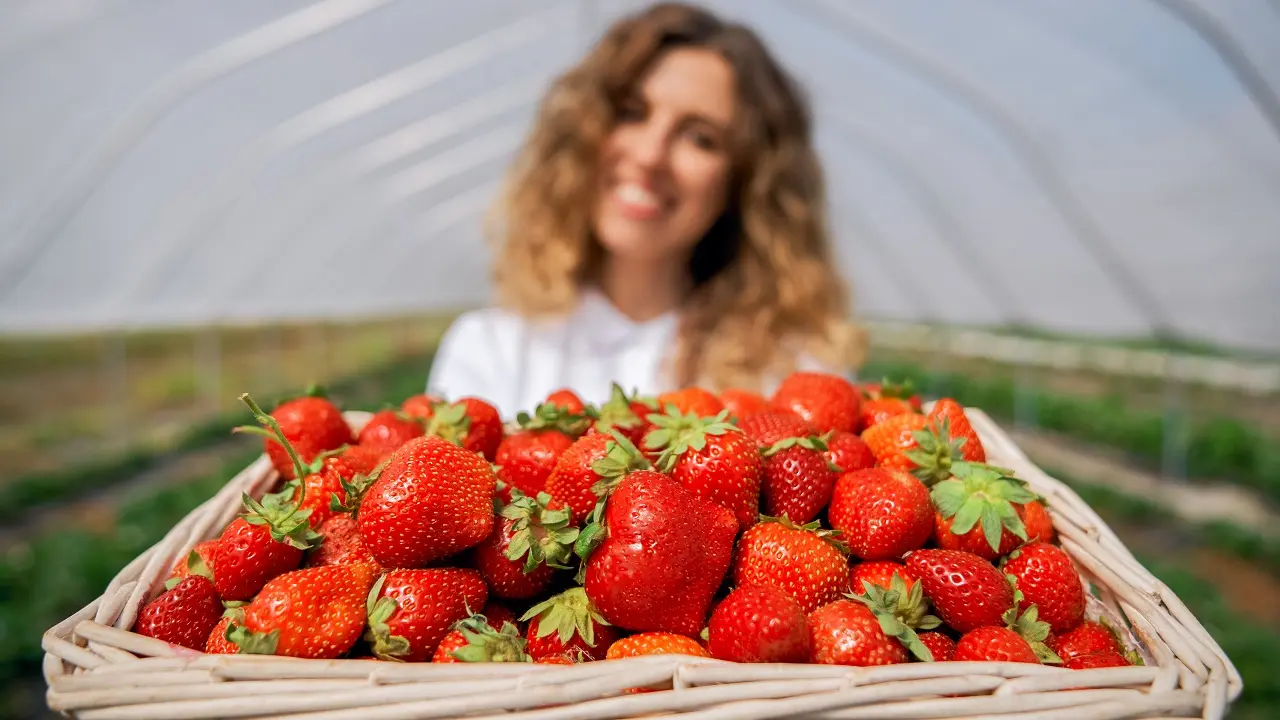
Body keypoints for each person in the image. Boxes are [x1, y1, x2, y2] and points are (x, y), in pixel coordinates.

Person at [427, 2, 864, 420]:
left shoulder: (795, 373)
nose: (651, 155)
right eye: (632, 114)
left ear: (744, 181)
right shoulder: (494, 349)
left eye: (700, 138)